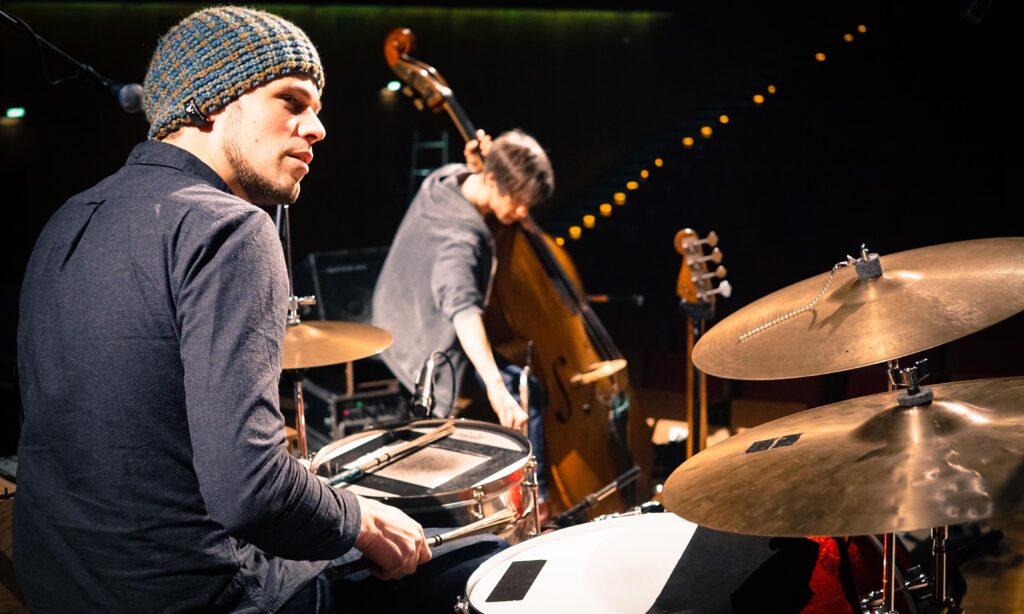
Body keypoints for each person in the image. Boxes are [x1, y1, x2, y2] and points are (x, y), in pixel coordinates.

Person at [15, 7, 499, 613]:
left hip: (65, 585)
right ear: (212, 100)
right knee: (478, 558)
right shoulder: (227, 227)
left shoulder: (69, 217)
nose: (317, 127)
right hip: (194, 596)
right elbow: (251, 491)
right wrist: (359, 521)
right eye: (292, 101)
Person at [371, 129, 555, 501]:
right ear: (492, 181)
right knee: (527, 393)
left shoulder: (447, 177)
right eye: (518, 201)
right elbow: (464, 313)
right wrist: (498, 390)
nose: (522, 213)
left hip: (393, 317)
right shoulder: (462, 238)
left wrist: (483, 164)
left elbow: (480, 174)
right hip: (424, 348)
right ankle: (537, 501)